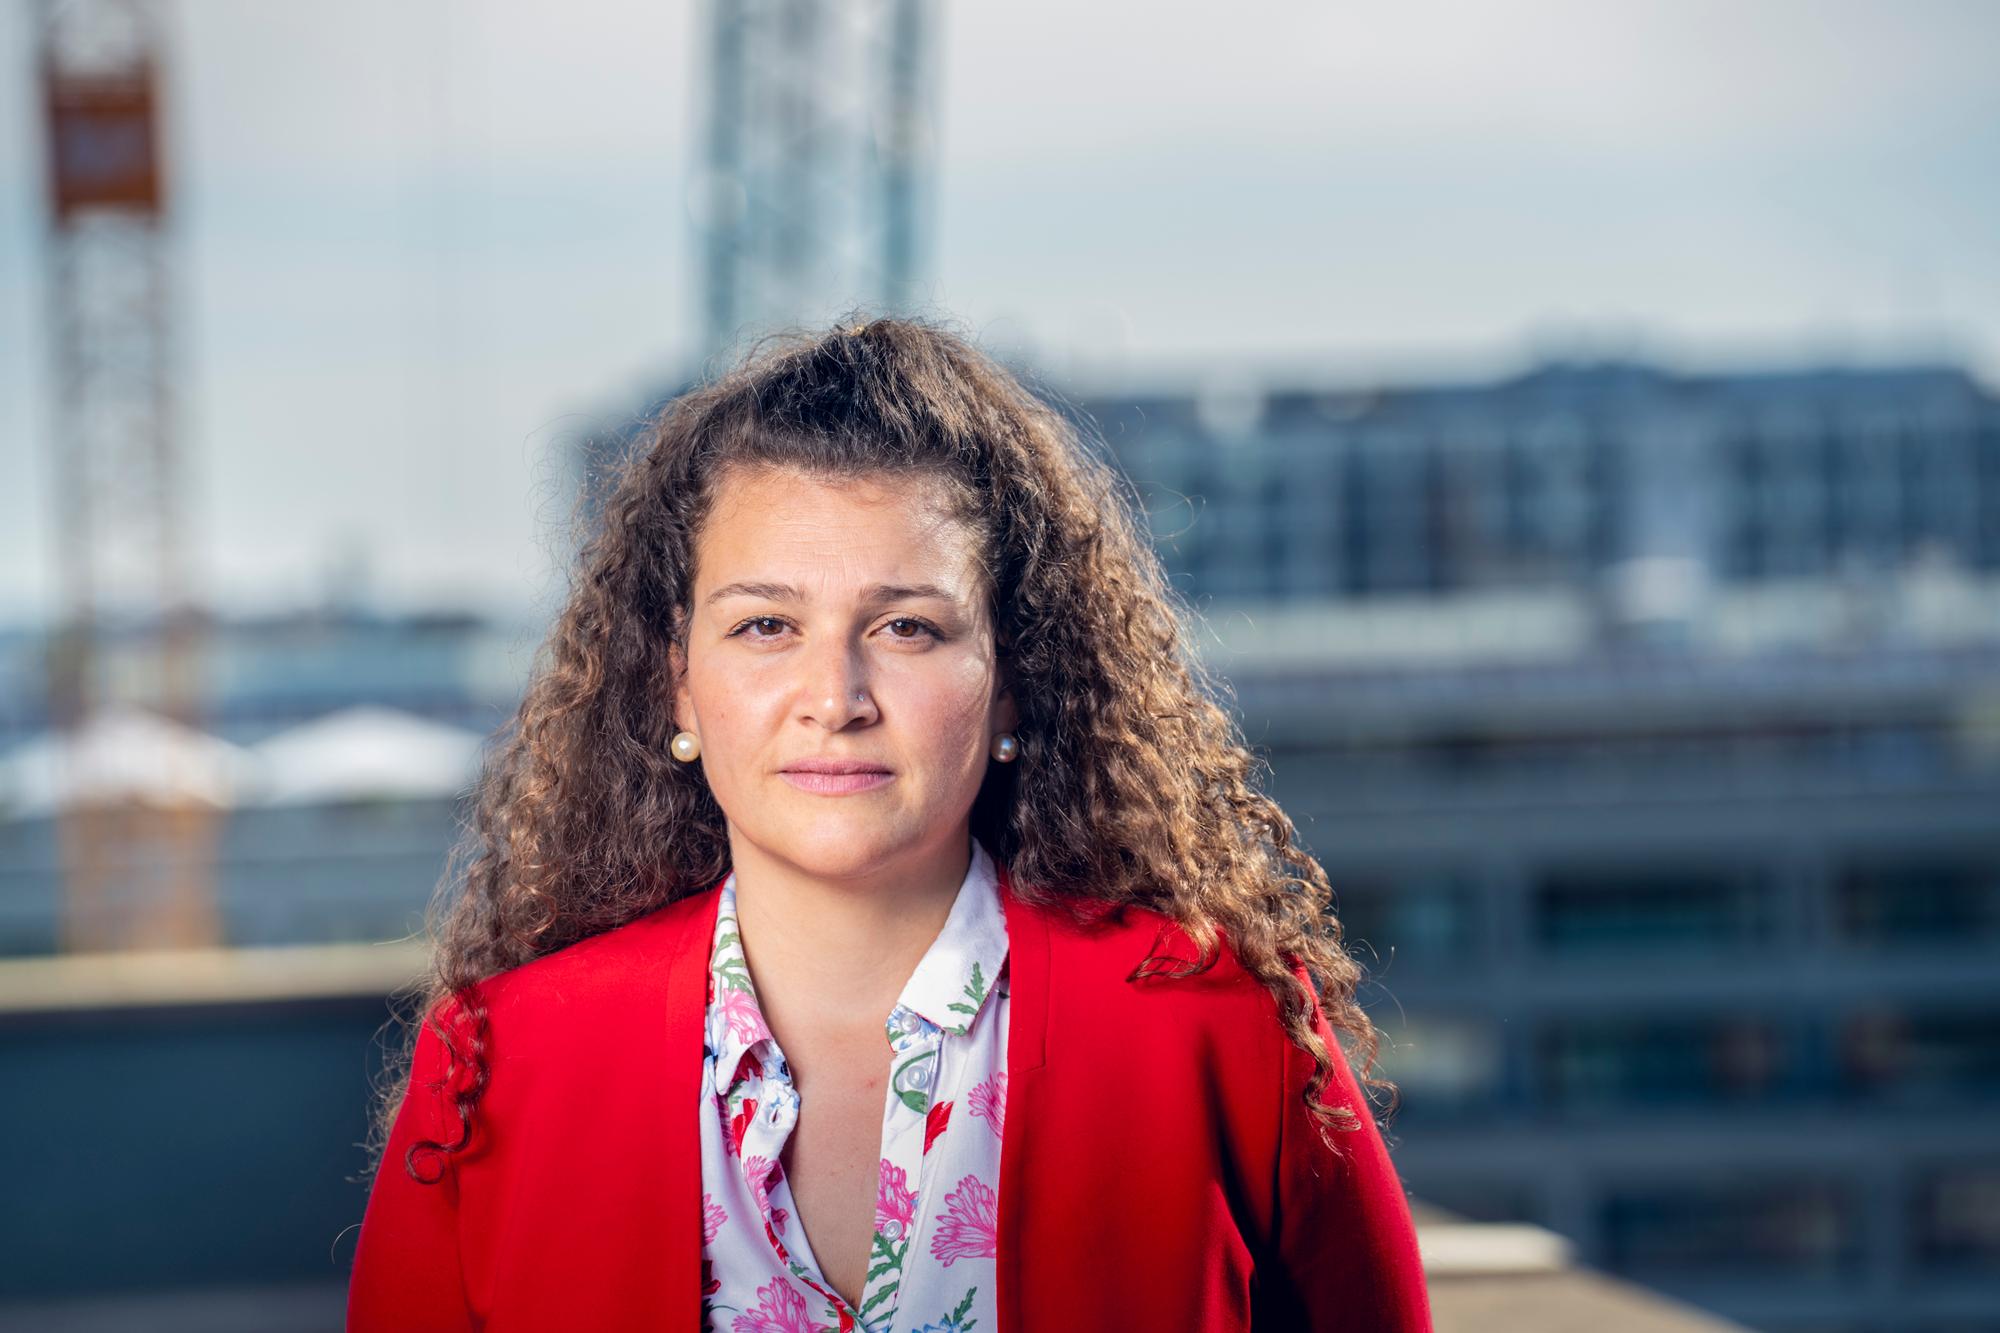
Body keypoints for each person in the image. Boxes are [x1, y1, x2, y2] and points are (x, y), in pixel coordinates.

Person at [345, 314, 1433, 1332]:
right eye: (765, 624)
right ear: (677, 687)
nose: (836, 694)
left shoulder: (1220, 1027)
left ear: (1008, 684)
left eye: (906, 627)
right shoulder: (496, 1064)